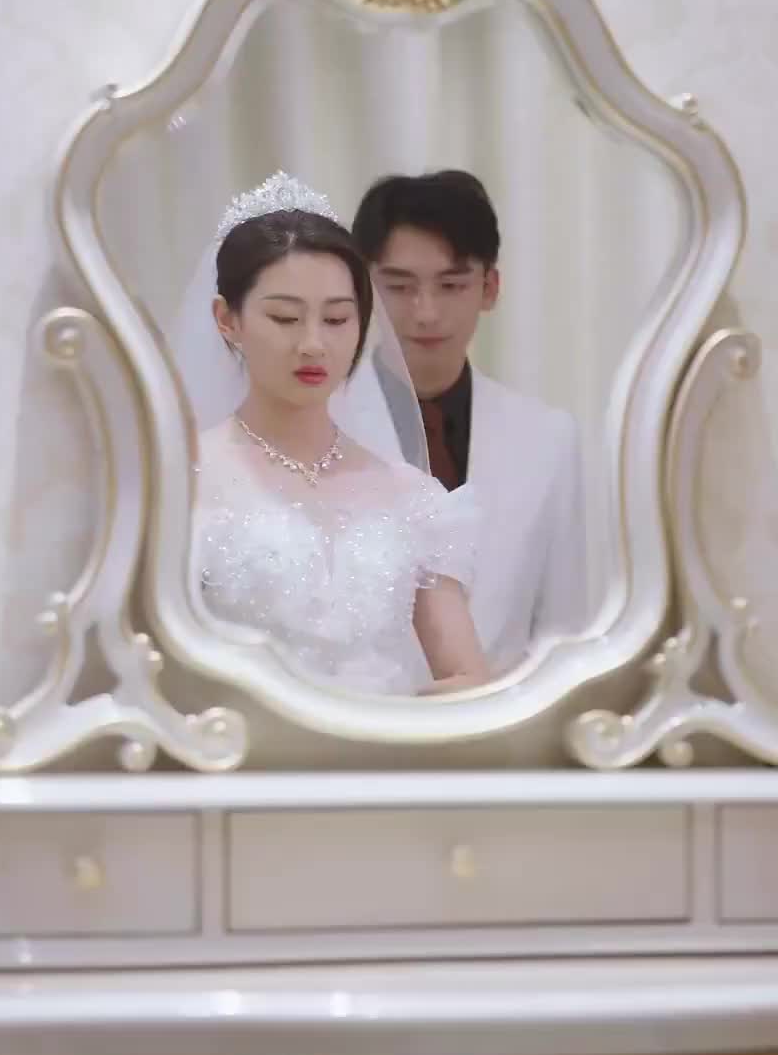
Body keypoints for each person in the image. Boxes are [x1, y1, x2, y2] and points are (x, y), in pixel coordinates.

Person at [179, 173, 488, 697]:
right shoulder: (183, 482)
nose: (313, 344)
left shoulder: (412, 496)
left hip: (385, 747)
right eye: (285, 318)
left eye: (338, 319)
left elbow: (467, 680)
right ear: (227, 319)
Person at [352, 170, 587, 677]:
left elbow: (564, 630)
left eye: (451, 285)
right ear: (363, 288)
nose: (426, 312)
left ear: (489, 287)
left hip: (507, 721)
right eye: (399, 286)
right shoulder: (316, 425)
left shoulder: (549, 438)